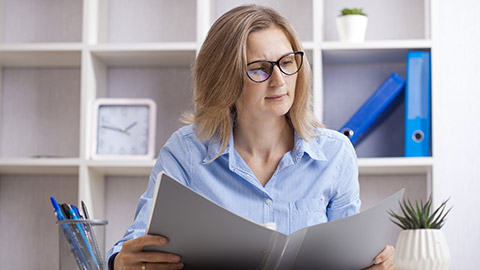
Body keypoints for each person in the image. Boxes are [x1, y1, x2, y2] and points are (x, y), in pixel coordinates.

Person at [107, 5, 395, 270]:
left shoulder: (336, 153)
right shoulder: (186, 151)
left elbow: (349, 258)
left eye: (287, 61)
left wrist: (374, 262)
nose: (279, 80)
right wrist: (121, 262)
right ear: (224, 78)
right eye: (259, 68)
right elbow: (134, 245)